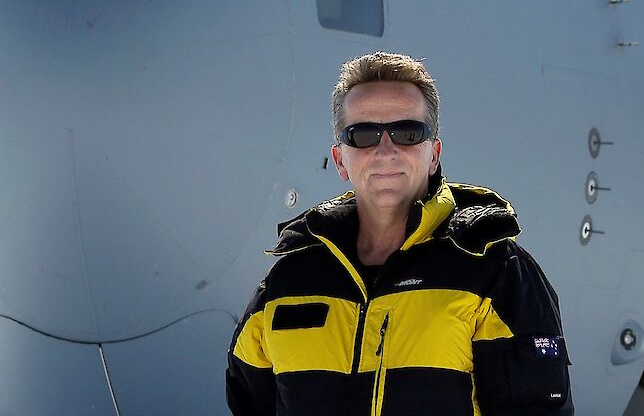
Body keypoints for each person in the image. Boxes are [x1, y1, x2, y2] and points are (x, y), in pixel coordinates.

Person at [226, 51, 573, 415]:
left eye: (408, 133)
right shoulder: (287, 282)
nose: (386, 150)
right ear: (341, 159)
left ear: (434, 153)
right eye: (363, 135)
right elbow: (250, 401)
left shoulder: (493, 272)